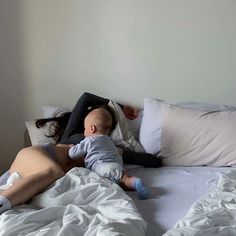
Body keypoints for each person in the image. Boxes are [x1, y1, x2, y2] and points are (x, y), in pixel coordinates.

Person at [36, 92, 162, 167]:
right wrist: (120, 107)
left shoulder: (109, 148)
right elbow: (86, 98)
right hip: (50, 158)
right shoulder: (73, 132)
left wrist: (121, 152)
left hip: (61, 169)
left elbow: (151, 161)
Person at [68, 106, 149, 200]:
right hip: (117, 167)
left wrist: (72, 148)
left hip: (101, 169)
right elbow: (119, 152)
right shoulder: (110, 141)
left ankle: (114, 193)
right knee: (124, 180)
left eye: (85, 128)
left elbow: (73, 154)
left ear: (91, 128)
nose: (84, 131)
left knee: (102, 187)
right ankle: (135, 182)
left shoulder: (89, 140)